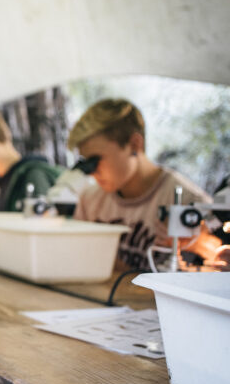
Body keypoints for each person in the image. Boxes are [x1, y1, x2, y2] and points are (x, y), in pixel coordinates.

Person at [69, 99, 212, 271]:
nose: (91, 172)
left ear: (134, 145)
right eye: (86, 163)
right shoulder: (89, 200)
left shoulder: (189, 205)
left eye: (95, 160)